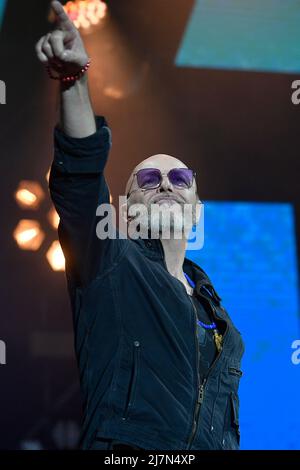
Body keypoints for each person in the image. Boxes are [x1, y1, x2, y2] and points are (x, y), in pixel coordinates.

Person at [35, 1, 245, 451]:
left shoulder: (216, 315)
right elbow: (79, 179)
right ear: (126, 211)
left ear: (195, 209)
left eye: (180, 179)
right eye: (148, 179)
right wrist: (75, 81)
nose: (166, 184)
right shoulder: (111, 264)